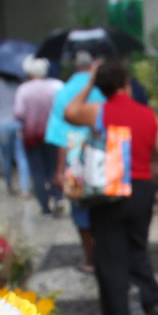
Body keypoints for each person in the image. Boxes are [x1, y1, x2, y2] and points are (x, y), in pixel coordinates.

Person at [65, 58, 158, 315]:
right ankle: (154, 297)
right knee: (137, 249)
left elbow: (69, 112)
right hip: (142, 191)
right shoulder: (150, 115)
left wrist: (90, 81)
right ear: (126, 84)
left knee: (108, 256)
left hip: (110, 192)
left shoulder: (98, 111)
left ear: (101, 88)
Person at [48, 50, 103, 271]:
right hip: (102, 162)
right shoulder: (102, 89)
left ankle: (90, 259)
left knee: (80, 211)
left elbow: (60, 137)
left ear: (73, 65)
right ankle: (104, 253)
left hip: (75, 164)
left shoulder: (63, 93)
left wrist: (59, 171)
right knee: (102, 209)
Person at [13, 56, 62, 215]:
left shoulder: (24, 89)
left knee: (38, 171)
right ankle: (58, 197)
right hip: (53, 134)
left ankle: (44, 205)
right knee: (54, 167)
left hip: (32, 135)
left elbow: (18, 113)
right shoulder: (56, 86)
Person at [0, 65, 29, 196]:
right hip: (18, 123)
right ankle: (25, 189)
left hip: (1, 123)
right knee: (21, 157)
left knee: (5, 157)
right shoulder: (20, 84)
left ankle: (9, 184)